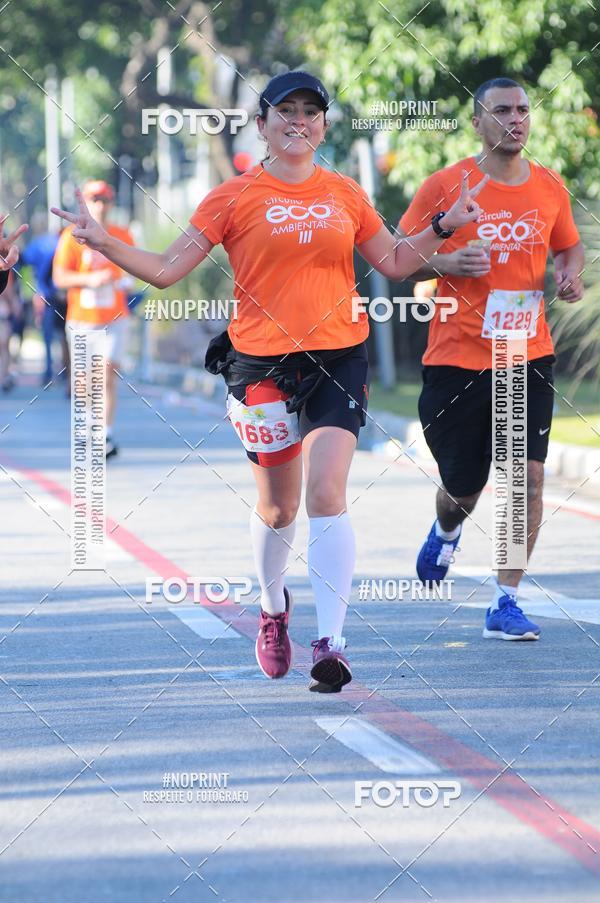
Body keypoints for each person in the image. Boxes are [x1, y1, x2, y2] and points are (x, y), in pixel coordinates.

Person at [52, 71, 486, 691]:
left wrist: (442, 225)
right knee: (280, 506)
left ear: (324, 127)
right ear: (261, 125)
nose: (298, 121)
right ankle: (273, 605)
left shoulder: (345, 192)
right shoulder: (232, 197)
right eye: (286, 110)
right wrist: (103, 244)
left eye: (311, 111)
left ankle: (331, 642)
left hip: (338, 358)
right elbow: (169, 269)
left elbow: (394, 261)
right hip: (259, 365)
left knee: (327, 492)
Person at [398, 77, 584, 641]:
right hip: (457, 358)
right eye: (501, 110)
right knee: (464, 486)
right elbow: (398, 258)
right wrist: (447, 265)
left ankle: (506, 600)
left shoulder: (549, 185)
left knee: (527, 479)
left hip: (526, 351)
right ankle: (446, 530)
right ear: (477, 121)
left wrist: (569, 272)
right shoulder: (445, 185)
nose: (515, 119)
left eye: (523, 109)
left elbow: (568, 244)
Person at [53, 180, 135, 458]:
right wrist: (90, 280)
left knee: (108, 371)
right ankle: (88, 424)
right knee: (85, 379)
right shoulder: (71, 236)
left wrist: (125, 281)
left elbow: (133, 269)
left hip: (115, 317)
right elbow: (60, 278)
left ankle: (105, 434)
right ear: (85, 203)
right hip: (83, 319)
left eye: (105, 200)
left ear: (111, 203)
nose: (100, 205)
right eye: (95, 200)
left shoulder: (122, 234)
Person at [18, 213, 68, 386]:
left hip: (48, 296)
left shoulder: (38, 244)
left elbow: (22, 262)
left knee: (48, 335)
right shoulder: (60, 241)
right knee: (64, 334)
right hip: (64, 294)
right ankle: (65, 371)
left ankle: (49, 372)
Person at [0, 214, 29, 390]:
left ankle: (4, 376)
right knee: (4, 344)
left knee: (4, 344)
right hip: (5, 307)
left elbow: (10, 288)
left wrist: (15, 302)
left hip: (4, 309)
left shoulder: (13, 261)